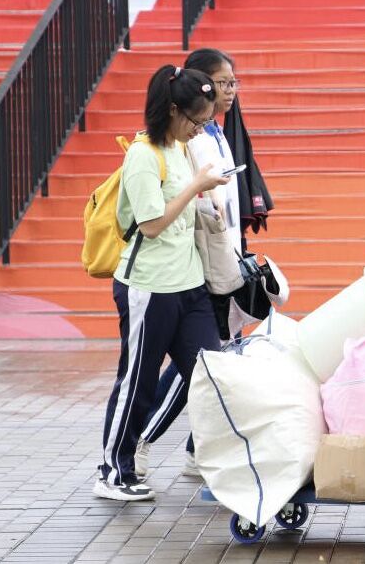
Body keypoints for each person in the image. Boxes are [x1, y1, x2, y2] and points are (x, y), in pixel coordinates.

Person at [93, 65, 229, 501]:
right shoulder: (143, 154)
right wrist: (197, 186)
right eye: (196, 120)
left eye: (205, 121)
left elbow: (183, 209)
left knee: (209, 373)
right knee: (138, 380)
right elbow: (151, 225)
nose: (200, 129)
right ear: (172, 110)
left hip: (190, 284)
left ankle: (212, 460)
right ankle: (114, 471)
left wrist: (208, 201)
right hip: (148, 287)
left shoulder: (180, 147)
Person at [133, 49, 255, 479]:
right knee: (199, 366)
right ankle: (142, 438)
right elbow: (182, 210)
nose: (230, 91)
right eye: (222, 83)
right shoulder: (192, 138)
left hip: (221, 258)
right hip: (197, 267)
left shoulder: (215, 131)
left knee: (211, 362)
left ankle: (197, 449)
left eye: (233, 82)